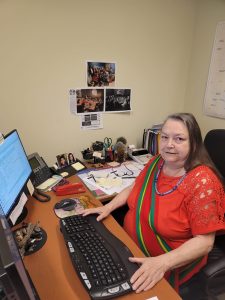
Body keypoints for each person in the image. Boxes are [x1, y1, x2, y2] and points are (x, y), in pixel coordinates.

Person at [82, 113, 225, 299]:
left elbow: (205, 242)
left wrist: (161, 263)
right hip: (130, 249)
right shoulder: (158, 161)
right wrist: (107, 207)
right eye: (164, 137)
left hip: (166, 262)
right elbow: (135, 186)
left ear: (194, 143)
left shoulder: (203, 182)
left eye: (179, 138)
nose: (168, 144)